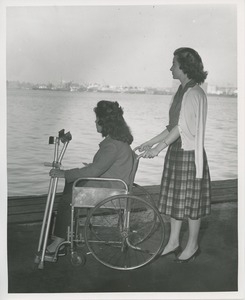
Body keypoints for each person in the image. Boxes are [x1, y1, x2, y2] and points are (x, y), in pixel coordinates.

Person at [135, 47, 211, 263]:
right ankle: (174, 241)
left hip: (189, 154)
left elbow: (182, 128)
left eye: (174, 64)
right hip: (178, 151)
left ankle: (193, 245)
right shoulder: (182, 91)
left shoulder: (194, 92)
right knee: (178, 201)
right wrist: (150, 142)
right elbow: (172, 126)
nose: (170, 67)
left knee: (191, 203)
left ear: (183, 67)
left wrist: (158, 149)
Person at [46, 100, 135, 254]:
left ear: (105, 122)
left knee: (68, 197)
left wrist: (64, 173)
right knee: (71, 185)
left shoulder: (112, 144)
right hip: (113, 186)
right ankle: (65, 234)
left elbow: (94, 171)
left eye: (97, 118)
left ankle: (60, 239)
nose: (95, 121)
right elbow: (102, 167)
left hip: (111, 192)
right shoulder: (118, 140)